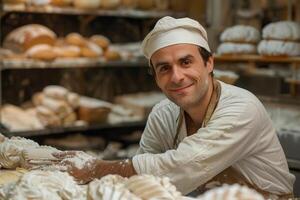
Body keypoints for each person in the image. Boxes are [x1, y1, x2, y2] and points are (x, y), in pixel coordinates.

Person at [53, 16, 295, 198]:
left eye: (186, 62)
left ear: (209, 63)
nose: (177, 76)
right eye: (164, 68)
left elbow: (185, 166)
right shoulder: (162, 114)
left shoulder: (242, 108)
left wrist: (97, 168)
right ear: (156, 77)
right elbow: (144, 181)